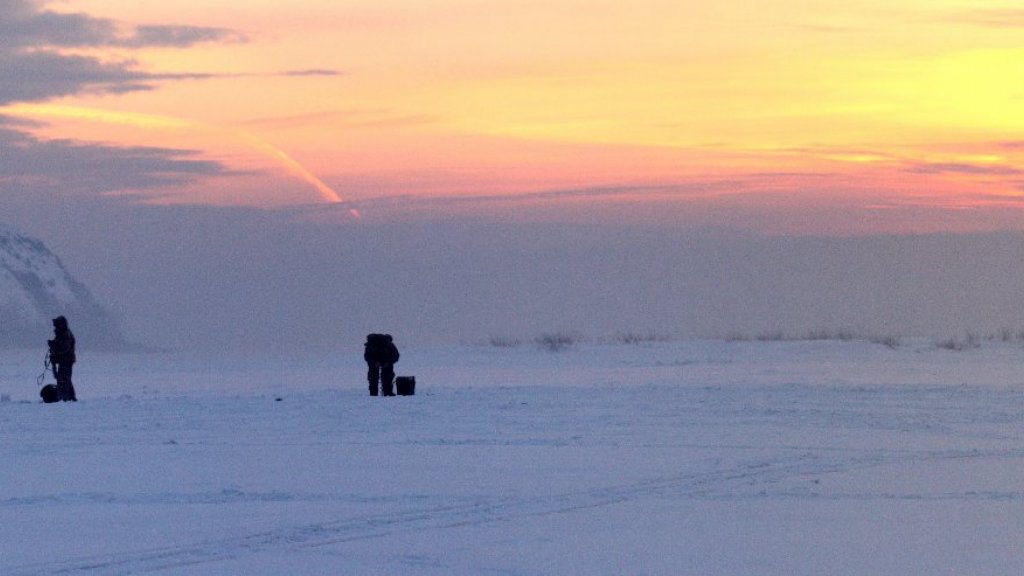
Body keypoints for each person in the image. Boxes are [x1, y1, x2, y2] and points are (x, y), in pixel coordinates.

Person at [48, 316, 77, 402]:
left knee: (63, 380)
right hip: (64, 360)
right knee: (65, 379)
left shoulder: (66, 334)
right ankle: (70, 397)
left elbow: (64, 348)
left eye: (56, 325)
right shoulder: (62, 334)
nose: (55, 327)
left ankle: (64, 397)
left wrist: (53, 346)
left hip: (66, 361)